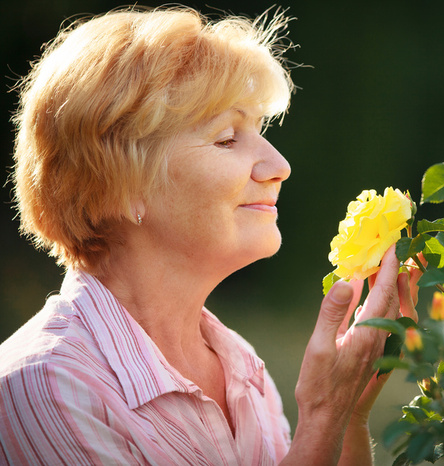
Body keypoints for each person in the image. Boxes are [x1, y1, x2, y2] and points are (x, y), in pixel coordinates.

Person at [0, 6, 421, 465]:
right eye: (227, 138)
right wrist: (321, 416)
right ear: (116, 186)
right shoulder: (47, 386)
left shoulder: (239, 365)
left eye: (259, 131)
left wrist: (348, 415)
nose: (279, 167)